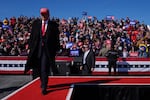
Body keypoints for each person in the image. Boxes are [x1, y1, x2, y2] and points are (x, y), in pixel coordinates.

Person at [24, 8, 60, 95]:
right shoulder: (36, 24)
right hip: (37, 49)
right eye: (42, 14)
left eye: (45, 14)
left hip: (47, 50)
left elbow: (56, 38)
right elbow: (32, 36)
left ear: (48, 14)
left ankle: (44, 86)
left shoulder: (53, 25)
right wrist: (29, 46)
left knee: (44, 68)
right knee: (38, 67)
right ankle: (42, 80)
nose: (43, 16)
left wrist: (56, 49)